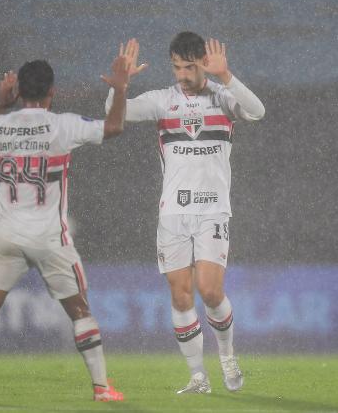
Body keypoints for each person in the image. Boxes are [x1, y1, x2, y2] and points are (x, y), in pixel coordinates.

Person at [0, 54, 132, 403]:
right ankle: (102, 388)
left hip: (7, 235)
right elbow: (114, 127)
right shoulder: (63, 124)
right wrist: (120, 90)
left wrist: (1, 104)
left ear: (18, 91)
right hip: (49, 238)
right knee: (80, 311)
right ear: (53, 92)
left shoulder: (1, 126)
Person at [106, 34, 265, 394]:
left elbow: (257, 111)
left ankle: (227, 355)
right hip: (173, 214)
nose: (181, 74)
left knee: (209, 290)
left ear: (204, 63)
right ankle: (198, 376)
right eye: (176, 66)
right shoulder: (163, 101)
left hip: (212, 211)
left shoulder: (223, 99)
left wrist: (227, 77)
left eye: (189, 67)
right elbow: (114, 114)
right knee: (180, 296)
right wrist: (121, 85)